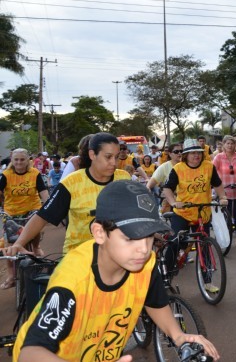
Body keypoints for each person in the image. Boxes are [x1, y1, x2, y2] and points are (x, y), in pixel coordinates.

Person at [11, 180, 220, 362]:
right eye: (130, 238)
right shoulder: (73, 283)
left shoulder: (143, 263)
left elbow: (155, 301)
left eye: (149, 236)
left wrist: (178, 336)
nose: (144, 249)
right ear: (99, 233)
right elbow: (30, 353)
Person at [5, 132, 132, 255]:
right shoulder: (71, 183)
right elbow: (43, 216)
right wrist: (19, 243)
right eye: (108, 157)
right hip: (78, 256)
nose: (114, 163)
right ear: (92, 155)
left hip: (117, 254)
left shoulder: (124, 178)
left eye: (116, 157)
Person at [163, 139, 228, 267]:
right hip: (183, 212)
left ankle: (207, 280)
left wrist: (222, 197)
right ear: (185, 155)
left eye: (198, 152)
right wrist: (174, 202)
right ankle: (166, 272)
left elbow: (217, 184)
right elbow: (167, 188)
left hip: (202, 213)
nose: (196, 155)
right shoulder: (178, 168)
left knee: (205, 245)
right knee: (177, 242)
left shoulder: (209, 166)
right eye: (192, 153)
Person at [0, 148, 49, 288]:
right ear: (12, 160)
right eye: (16, 159)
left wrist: (48, 205)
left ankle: (36, 246)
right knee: (9, 246)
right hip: (11, 212)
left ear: (28, 160)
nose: (19, 162)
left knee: (35, 226)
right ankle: (10, 277)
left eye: (22, 159)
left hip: (32, 208)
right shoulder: (6, 174)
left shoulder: (35, 173)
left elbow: (43, 192)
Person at [213, 135, 236, 249]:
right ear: (223, 145)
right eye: (227, 143)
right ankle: (225, 238)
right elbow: (212, 172)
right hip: (224, 192)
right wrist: (216, 185)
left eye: (232, 143)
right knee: (225, 216)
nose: (230, 145)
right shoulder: (218, 157)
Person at [147, 142, 183, 211]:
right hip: (171, 202)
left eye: (181, 151)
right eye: (176, 151)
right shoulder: (164, 167)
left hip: (187, 200)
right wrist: (148, 188)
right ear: (170, 154)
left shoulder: (188, 165)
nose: (179, 153)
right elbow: (151, 182)